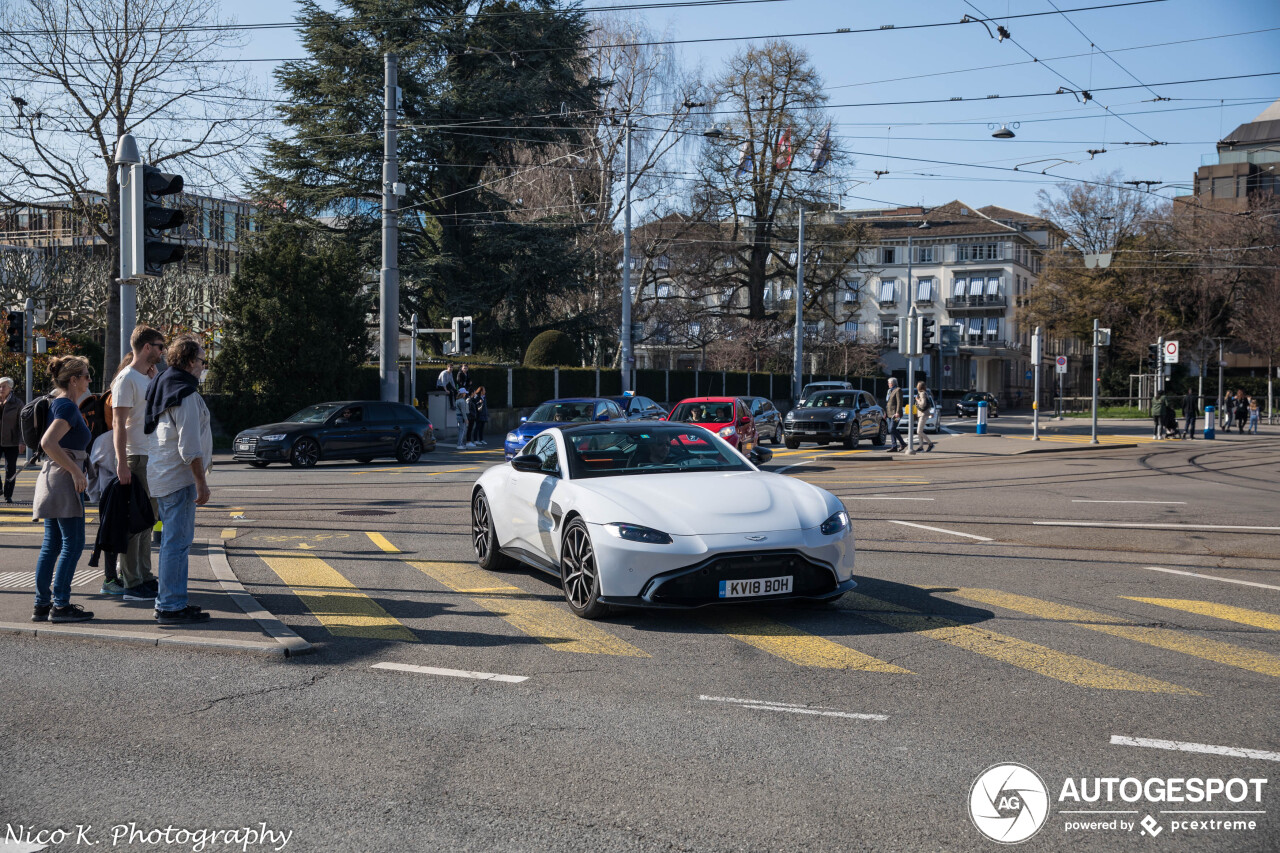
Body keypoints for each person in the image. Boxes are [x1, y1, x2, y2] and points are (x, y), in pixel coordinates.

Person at [144, 336, 212, 624]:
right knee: (177, 543)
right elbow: (189, 446)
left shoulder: (163, 383)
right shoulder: (185, 394)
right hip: (179, 477)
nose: (203, 366)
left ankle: (172, 601)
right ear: (187, 362)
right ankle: (171, 606)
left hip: (162, 472)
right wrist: (201, 482)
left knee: (173, 541)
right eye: (201, 360)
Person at [31, 355, 94, 624]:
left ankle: (42, 605)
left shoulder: (58, 403)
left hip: (54, 477)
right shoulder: (67, 406)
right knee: (73, 543)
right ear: (74, 380)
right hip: (64, 478)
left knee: (53, 544)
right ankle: (61, 604)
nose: (90, 380)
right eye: (86, 375)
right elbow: (48, 442)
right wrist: (76, 471)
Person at [110, 324, 165, 600]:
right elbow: (118, 424)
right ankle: (131, 582)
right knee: (135, 522)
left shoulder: (146, 377)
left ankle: (144, 575)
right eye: (159, 346)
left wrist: (154, 382)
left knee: (148, 521)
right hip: (136, 456)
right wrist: (122, 463)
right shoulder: (126, 379)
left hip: (152, 456)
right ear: (146, 348)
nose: (162, 351)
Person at [0, 377, 24, 503]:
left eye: (4, 386)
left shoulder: (17, 403)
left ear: (10, 388)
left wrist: (22, 441)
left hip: (12, 441)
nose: (1, 389)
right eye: (0, 386)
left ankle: (8, 495)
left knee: (10, 469)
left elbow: (22, 424)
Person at [884, 378, 906, 453]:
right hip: (889, 414)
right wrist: (885, 413)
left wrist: (897, 412)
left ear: (892, 383)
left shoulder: (898, 390)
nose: (888, 384)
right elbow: (888, 403)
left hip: (895, 414)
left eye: (889, 383)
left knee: (892, 429)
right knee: (891, 430)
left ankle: (903, 443)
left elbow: (899, 402)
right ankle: (894, 446)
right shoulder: (889, 391)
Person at [914, 381, 935, 452]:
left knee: (919, 431)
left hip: (923, 414)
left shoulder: (922, 393)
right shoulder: (923, 393)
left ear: (919, 387)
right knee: (920, 431)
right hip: (921, 414)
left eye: (917, 385)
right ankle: (921, 447)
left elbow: (923, 404)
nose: (916, 386)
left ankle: (930, 444)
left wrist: (917, 400)